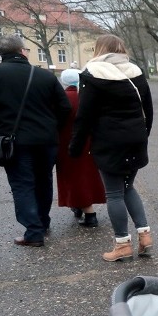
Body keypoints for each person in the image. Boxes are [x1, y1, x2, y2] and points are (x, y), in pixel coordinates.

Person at [69, 34, 155, 262]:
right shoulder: (136, 72)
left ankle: (121, 244)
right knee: (128, 187)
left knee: (114, 193)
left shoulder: (92, 74)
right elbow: (148, 108)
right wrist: (143, 135)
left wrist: (75, 147)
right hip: (135, 138)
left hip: (108, 140)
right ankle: (145, 236)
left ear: (99, 50)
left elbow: (84, 115)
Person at [0, 34, 71, 247]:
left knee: (22, 184)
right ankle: (42, 221)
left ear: (0, 53)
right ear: (22, 51)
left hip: (13, 141)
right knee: (44, 181)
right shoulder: (44, 76)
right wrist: (52, 128)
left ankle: (33, 231)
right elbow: (65, 108)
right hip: (47, 139)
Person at [56, 68, 106, 228]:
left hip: (66, 142)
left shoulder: (63, 97)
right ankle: (81, 205)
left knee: (71, 176)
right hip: (88, 141)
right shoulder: (87, 97)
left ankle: (86, 211)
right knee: (86, 174)